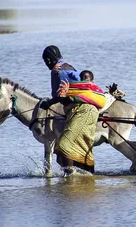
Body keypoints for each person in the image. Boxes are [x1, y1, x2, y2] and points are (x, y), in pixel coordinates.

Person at [40, 46, 103, 174]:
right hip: (86, 110)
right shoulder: (69, 67)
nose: (46, 64)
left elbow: (61, 94)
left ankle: (70, 180)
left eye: (46, 61)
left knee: (64, 146)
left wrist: (48, 103)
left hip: (82, 111)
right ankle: (88, 179)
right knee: (83, 146)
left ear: (48, 59)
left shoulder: (57, 71)